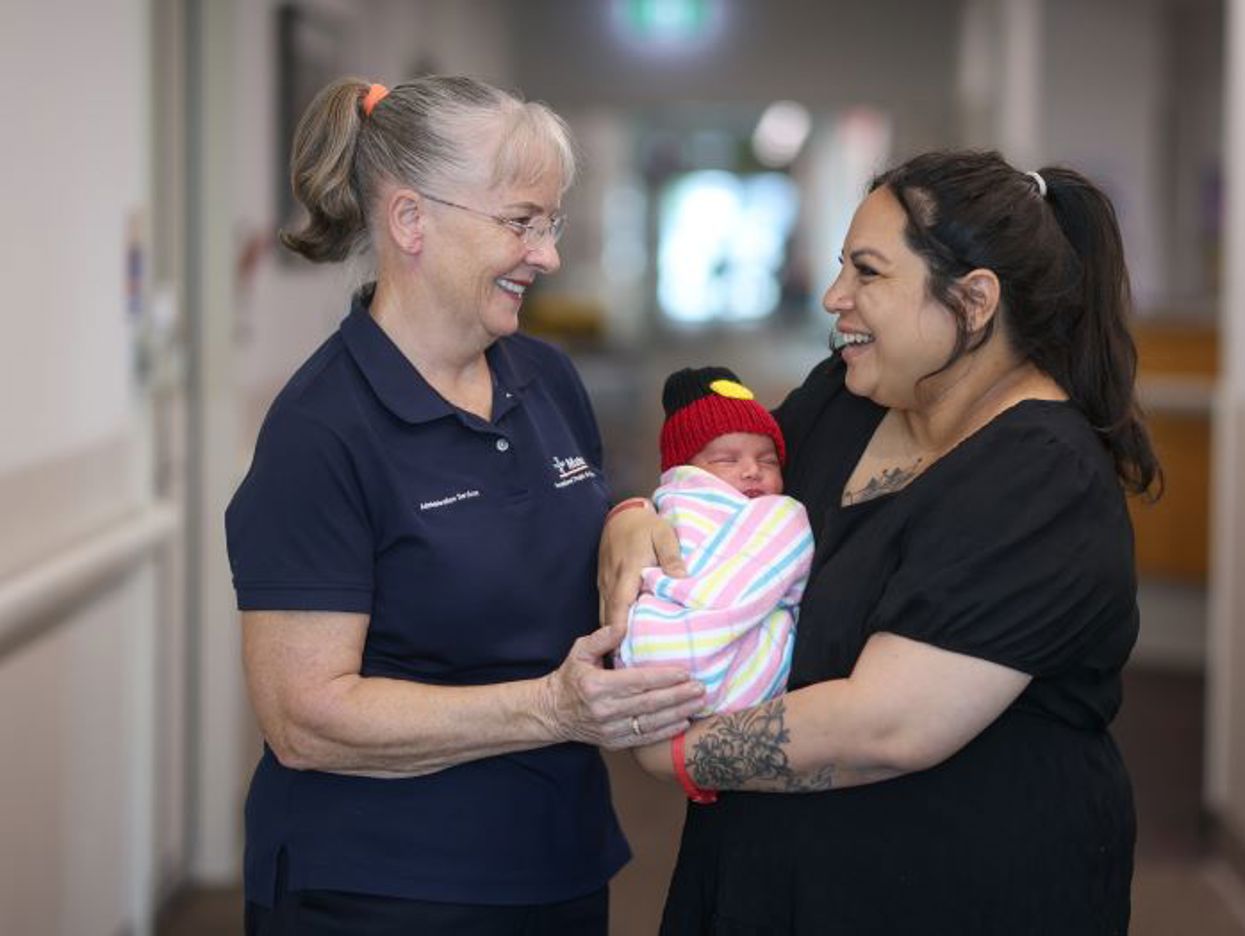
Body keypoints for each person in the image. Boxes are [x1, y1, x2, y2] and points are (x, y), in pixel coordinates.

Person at [601, 149, 1158, 933]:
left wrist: (679, 755)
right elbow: (719, 496)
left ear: (973, 300)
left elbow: (892, 724)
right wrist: (631, 518)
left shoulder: (1042, 478)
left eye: (868, 273)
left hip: (954, 889)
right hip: (771, 878)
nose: (835, 298)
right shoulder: (847, 397)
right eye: (840, 268)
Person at [224, 75, 705, 935]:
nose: (547, 254)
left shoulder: (545, 378)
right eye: (521, 223)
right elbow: (305, 717)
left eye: (549, 223)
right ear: (412, 221)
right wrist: (550, 708)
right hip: (384, 891)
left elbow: (557, 540)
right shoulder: (322, 430)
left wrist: (627, 516)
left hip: (557, 863)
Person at [614, 366, 813, 717]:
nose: (753, 470)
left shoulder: (776, 515)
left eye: (768, 460)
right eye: (727, 459)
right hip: (658, 638)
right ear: (688, 469)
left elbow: (746, 581)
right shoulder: (671, 507)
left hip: (675, 667)